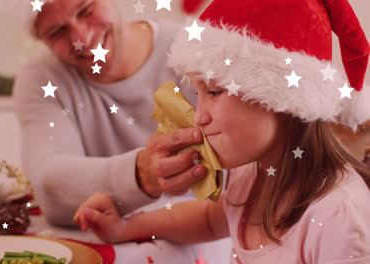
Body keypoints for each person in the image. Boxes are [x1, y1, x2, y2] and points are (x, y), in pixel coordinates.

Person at [74, 0, 370, 262]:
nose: (199, 116)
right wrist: (125, 227)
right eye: (198, 94)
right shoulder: (251, 174)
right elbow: (208, 220)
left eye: (214, 91)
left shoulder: (338, 215)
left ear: (280, 99)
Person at [12, 0, 206, 227]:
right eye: (57, 31)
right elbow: (49, 186)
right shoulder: (41, 80)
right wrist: (141, 174)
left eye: (85, 10)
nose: (82, 39)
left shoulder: (195, 50)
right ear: (41, 39)